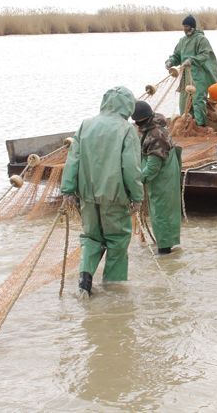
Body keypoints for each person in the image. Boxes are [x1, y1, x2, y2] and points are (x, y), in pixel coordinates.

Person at [61, 86, 144, 296]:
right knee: (117, 240)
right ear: (128, 105)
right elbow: (131, 167)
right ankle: (114, 291)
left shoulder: (85, 125)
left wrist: (68, 190)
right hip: (115, 196)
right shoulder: (126, 130)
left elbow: (73, 160)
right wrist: (137, 197)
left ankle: (85, 281)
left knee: (91, 238)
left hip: (87, 196)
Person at [131, 101, 182, 255]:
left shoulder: (155, 135)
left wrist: (135, 183)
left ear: (139, 121)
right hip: (165, 175)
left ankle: (165, 250)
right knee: (164, 211)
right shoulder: (154, 127)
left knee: (162, 212)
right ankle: (168, 243)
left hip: (163, 179)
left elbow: (153, 167)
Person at [164, 15, 217, 127]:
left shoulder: (201, 39)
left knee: (198, 101)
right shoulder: (182, 41)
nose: (185, 28)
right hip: (185, 76)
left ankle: (200, 126)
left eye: (187, 26)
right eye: (184, 26)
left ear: (193, 27)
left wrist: (191, 60)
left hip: (199, 76)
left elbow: (205, 55)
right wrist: (170, 62)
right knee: (184, 102)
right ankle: (187, 125)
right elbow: (176, 56)